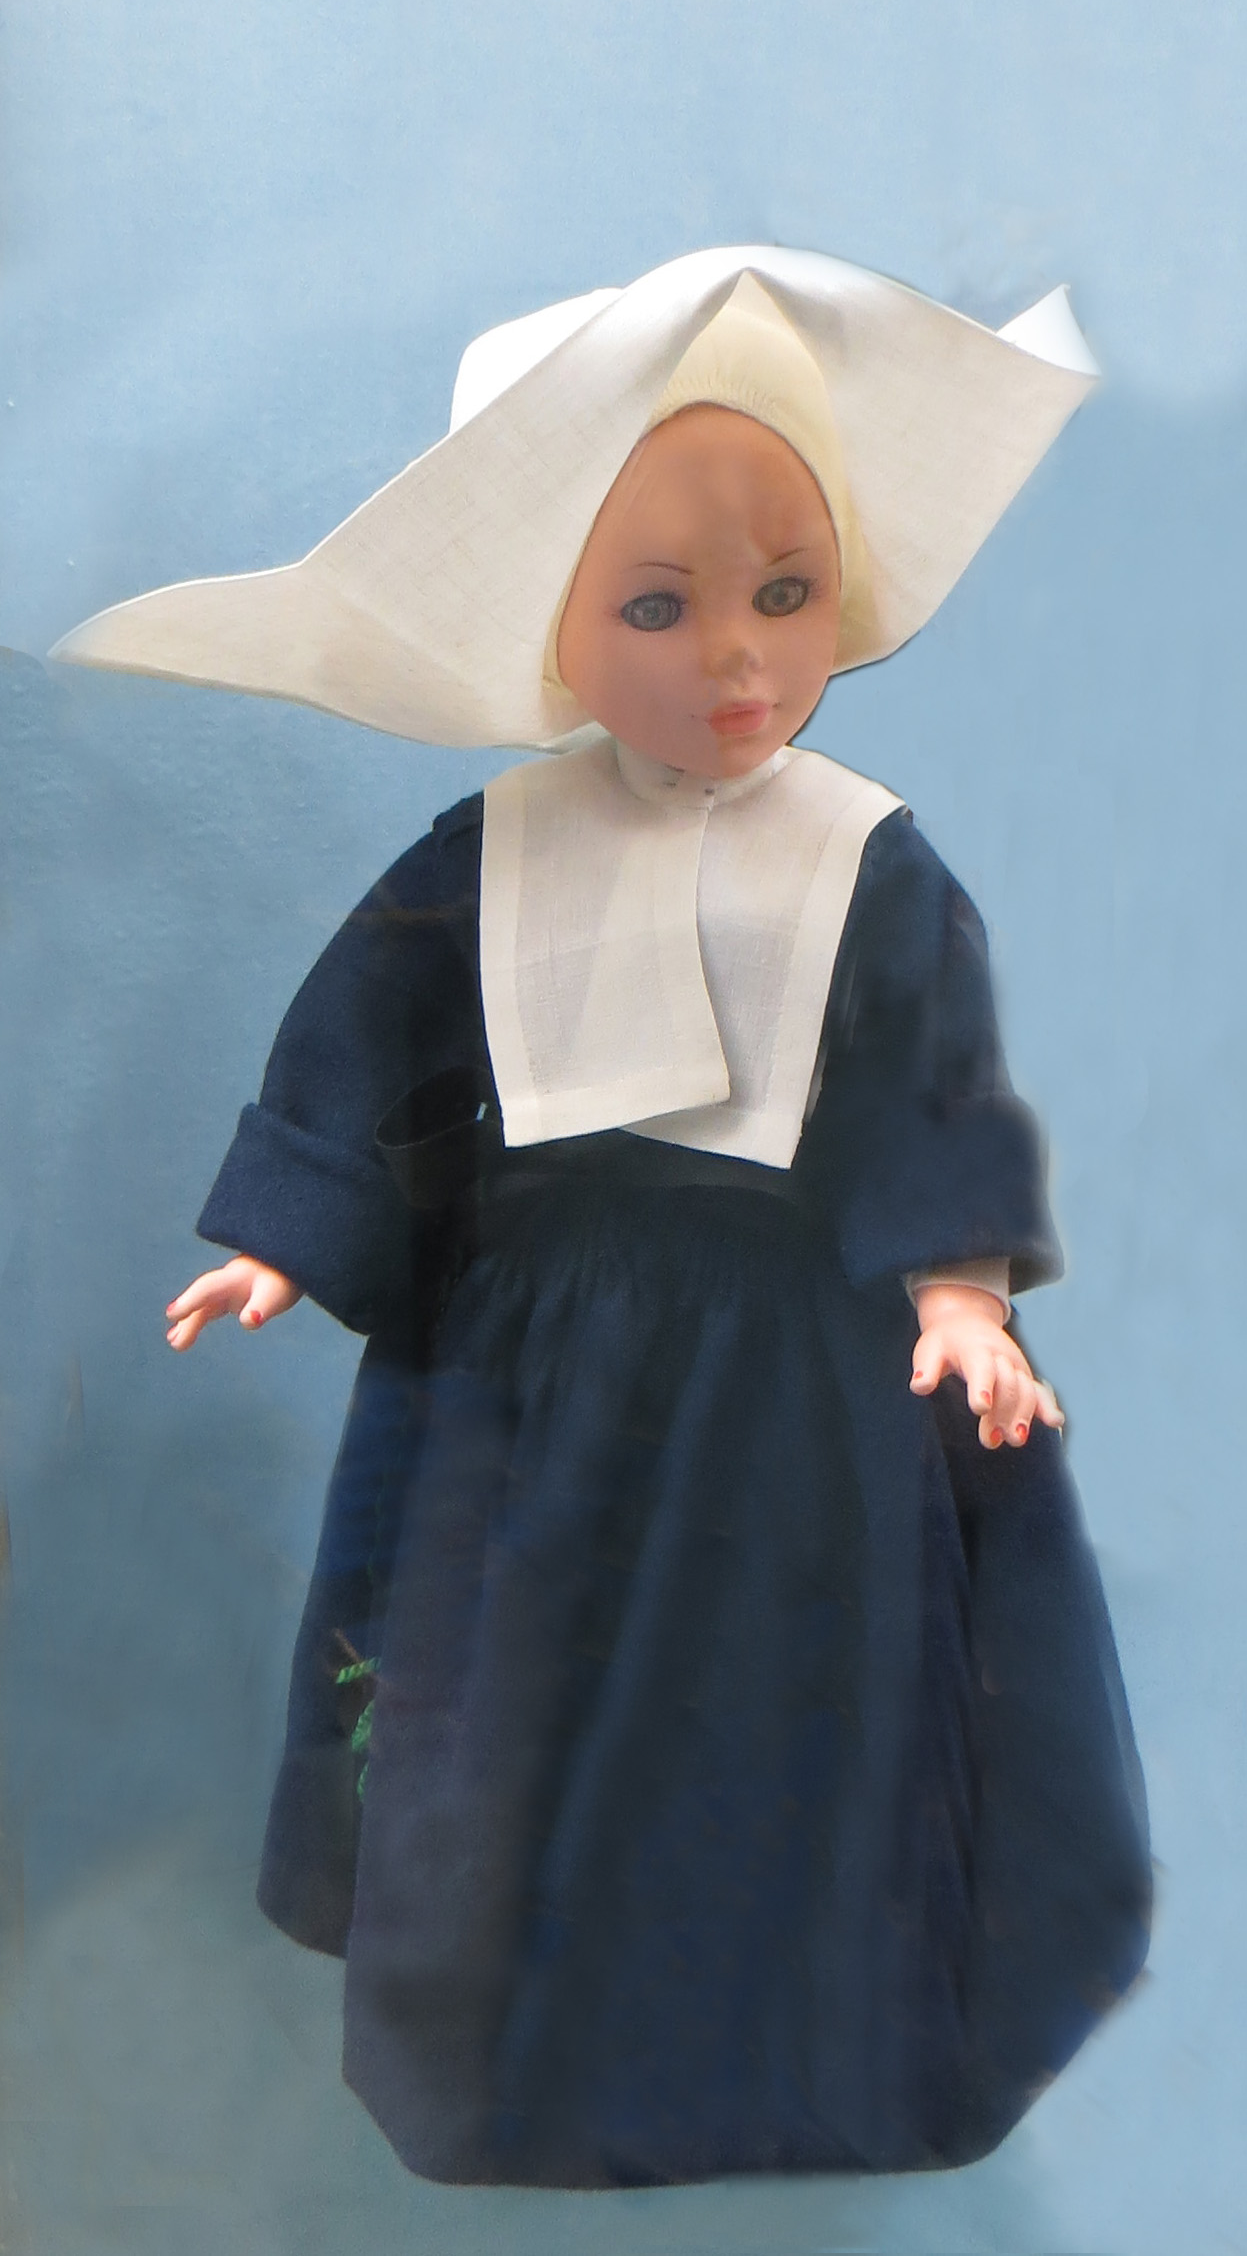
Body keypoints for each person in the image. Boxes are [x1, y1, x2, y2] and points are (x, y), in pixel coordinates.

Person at [54, 252, 1151, 2188]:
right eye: (659, 605)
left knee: (786, 1692)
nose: (738, 658)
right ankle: (527, 2039)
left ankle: (786, 2033)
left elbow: (931, 1083)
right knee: (514, 1695)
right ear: (553, 631)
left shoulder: (867, 859)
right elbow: (368, 1040)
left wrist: (961, 1293)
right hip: (529, 1359)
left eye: (784, 593)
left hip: (797, 1363)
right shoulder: (491, 853)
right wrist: (290, 1231)